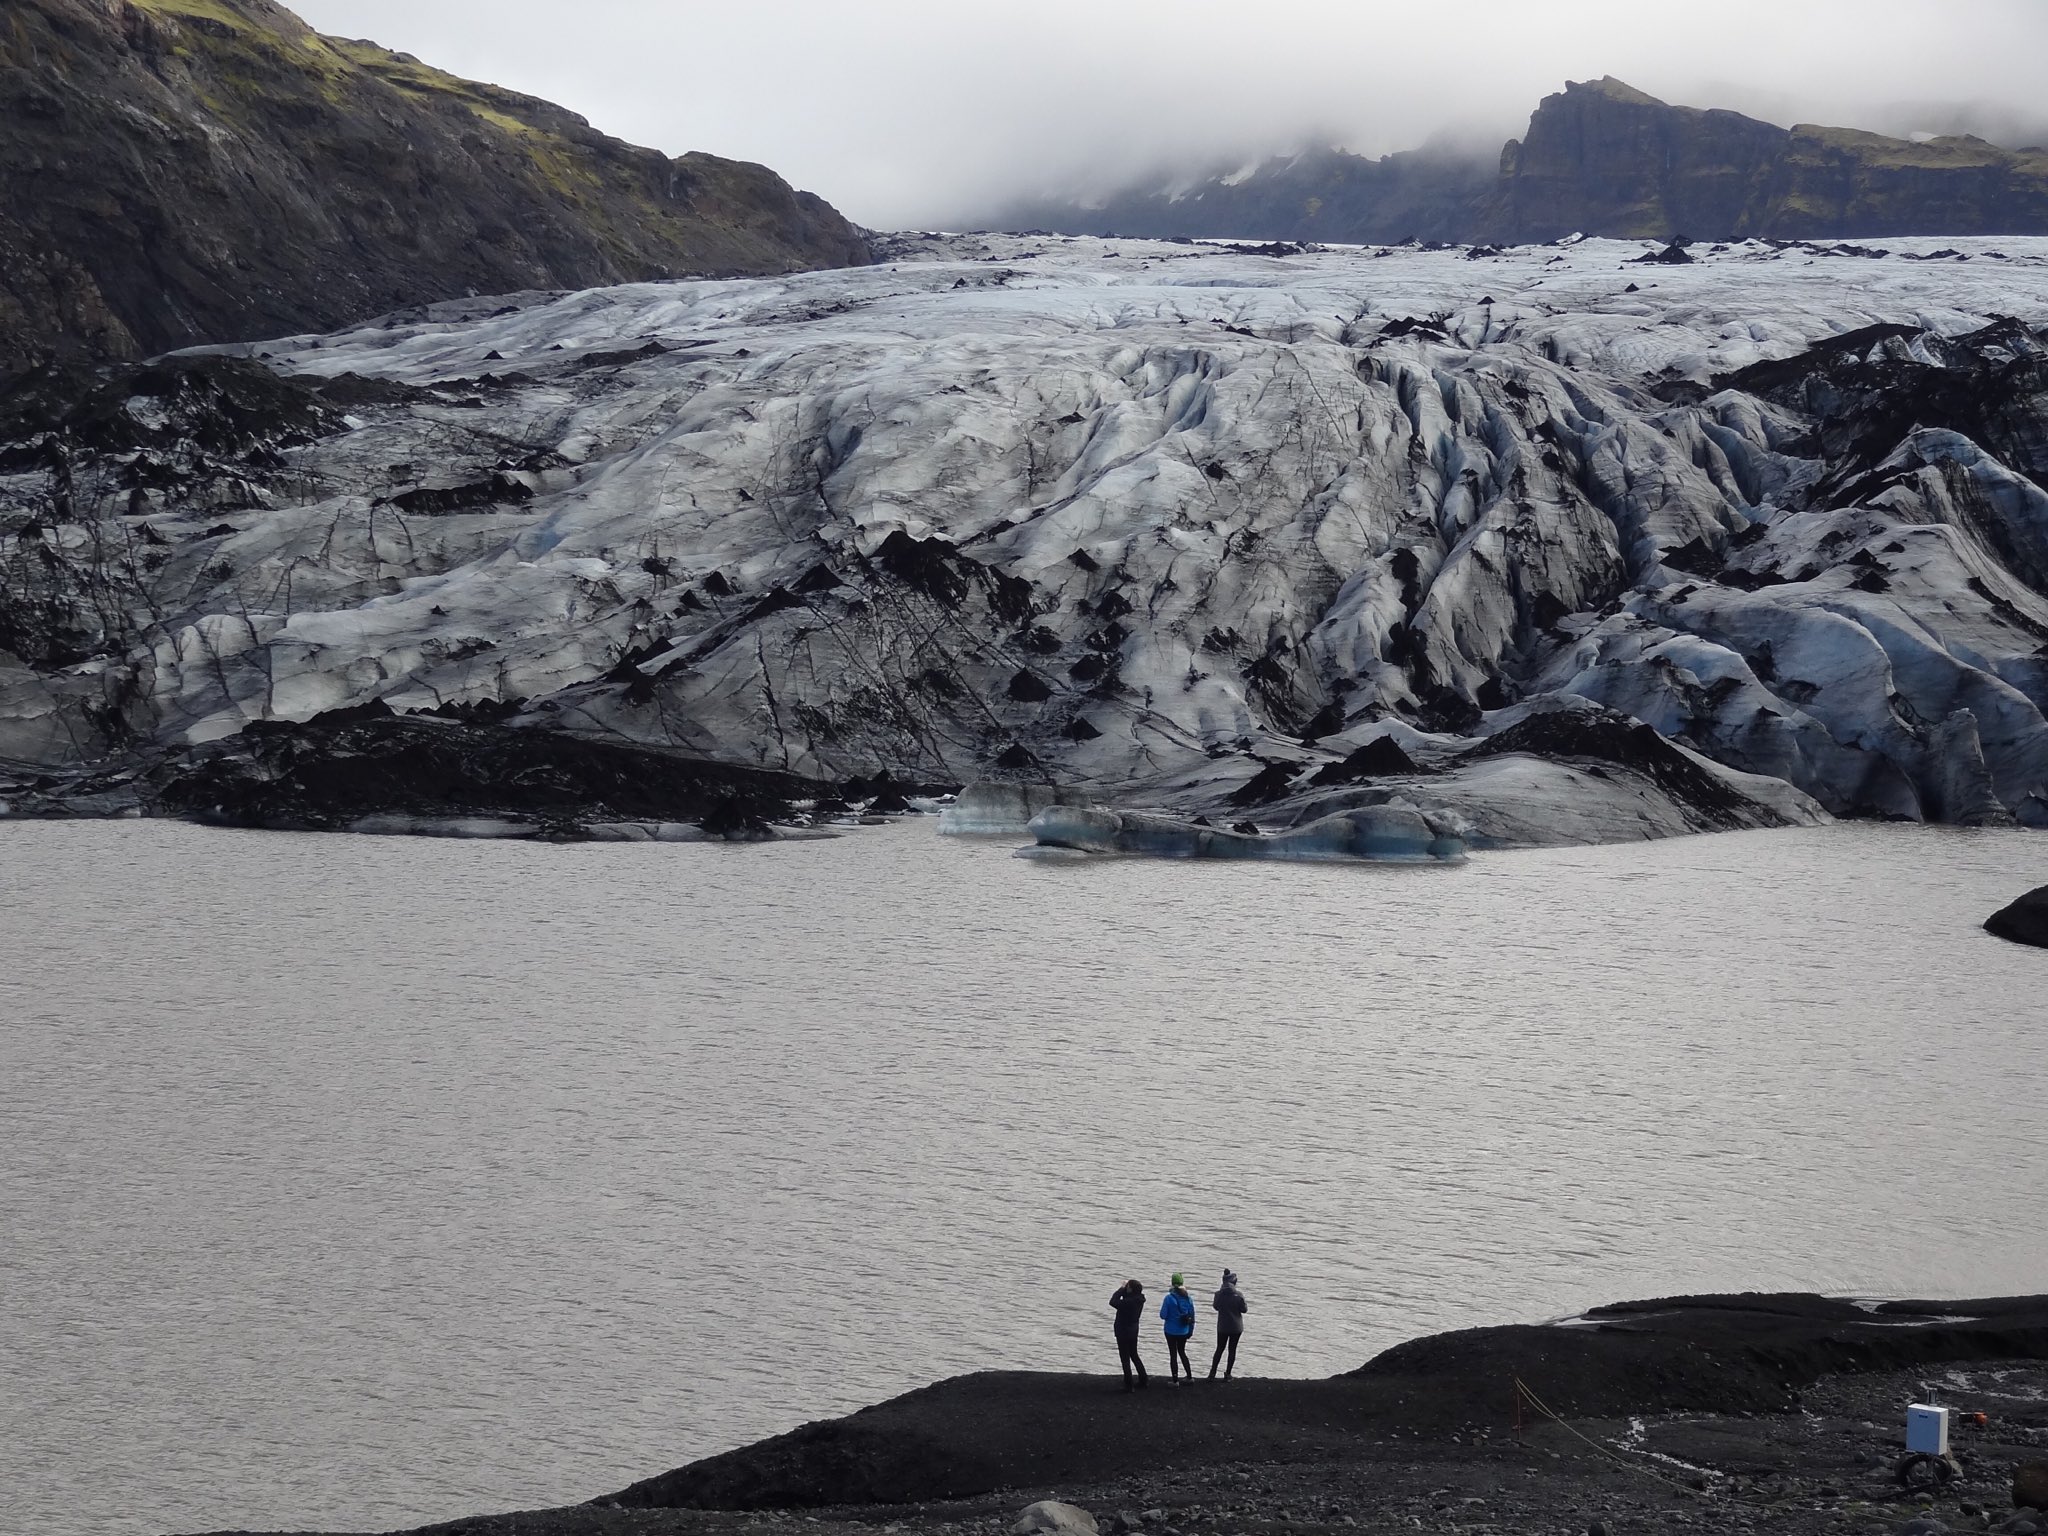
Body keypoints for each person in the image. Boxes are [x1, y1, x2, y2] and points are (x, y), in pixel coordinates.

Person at [1110, 1279, 1149, 1390]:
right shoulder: (1139, 1300)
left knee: (1125, 1359)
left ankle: (1129, 1385)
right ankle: (1143, 1379)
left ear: (1130, 1289)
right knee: (1134, 1355)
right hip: (1133, 1330)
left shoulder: (1128, 1302)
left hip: (1123, 1331)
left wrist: (1121, 1289)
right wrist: (1125, 1290)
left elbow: (1113, 1301)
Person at [1209, 1268, 1248, 1379]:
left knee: (1219, 1349)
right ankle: (1228, 1374)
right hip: (1236, 1327)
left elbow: (1215, 1307)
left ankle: (1212, 1373)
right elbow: (1244, 1310)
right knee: (1232, 1350)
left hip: (1222, 1327)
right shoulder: (1239, 1295)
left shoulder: (1218, 1294)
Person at [1160, 1272, 1196, 1382]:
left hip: (1170, 1331)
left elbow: (1163, 1315)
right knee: (1182, 1352)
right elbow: (1192, 1316)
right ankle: (1189, 1377)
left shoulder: (1168, 1298)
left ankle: (1175, 1380)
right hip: (1183, 1331)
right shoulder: (1188, 1298)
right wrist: (1190, 1331)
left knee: (1173, 1355)